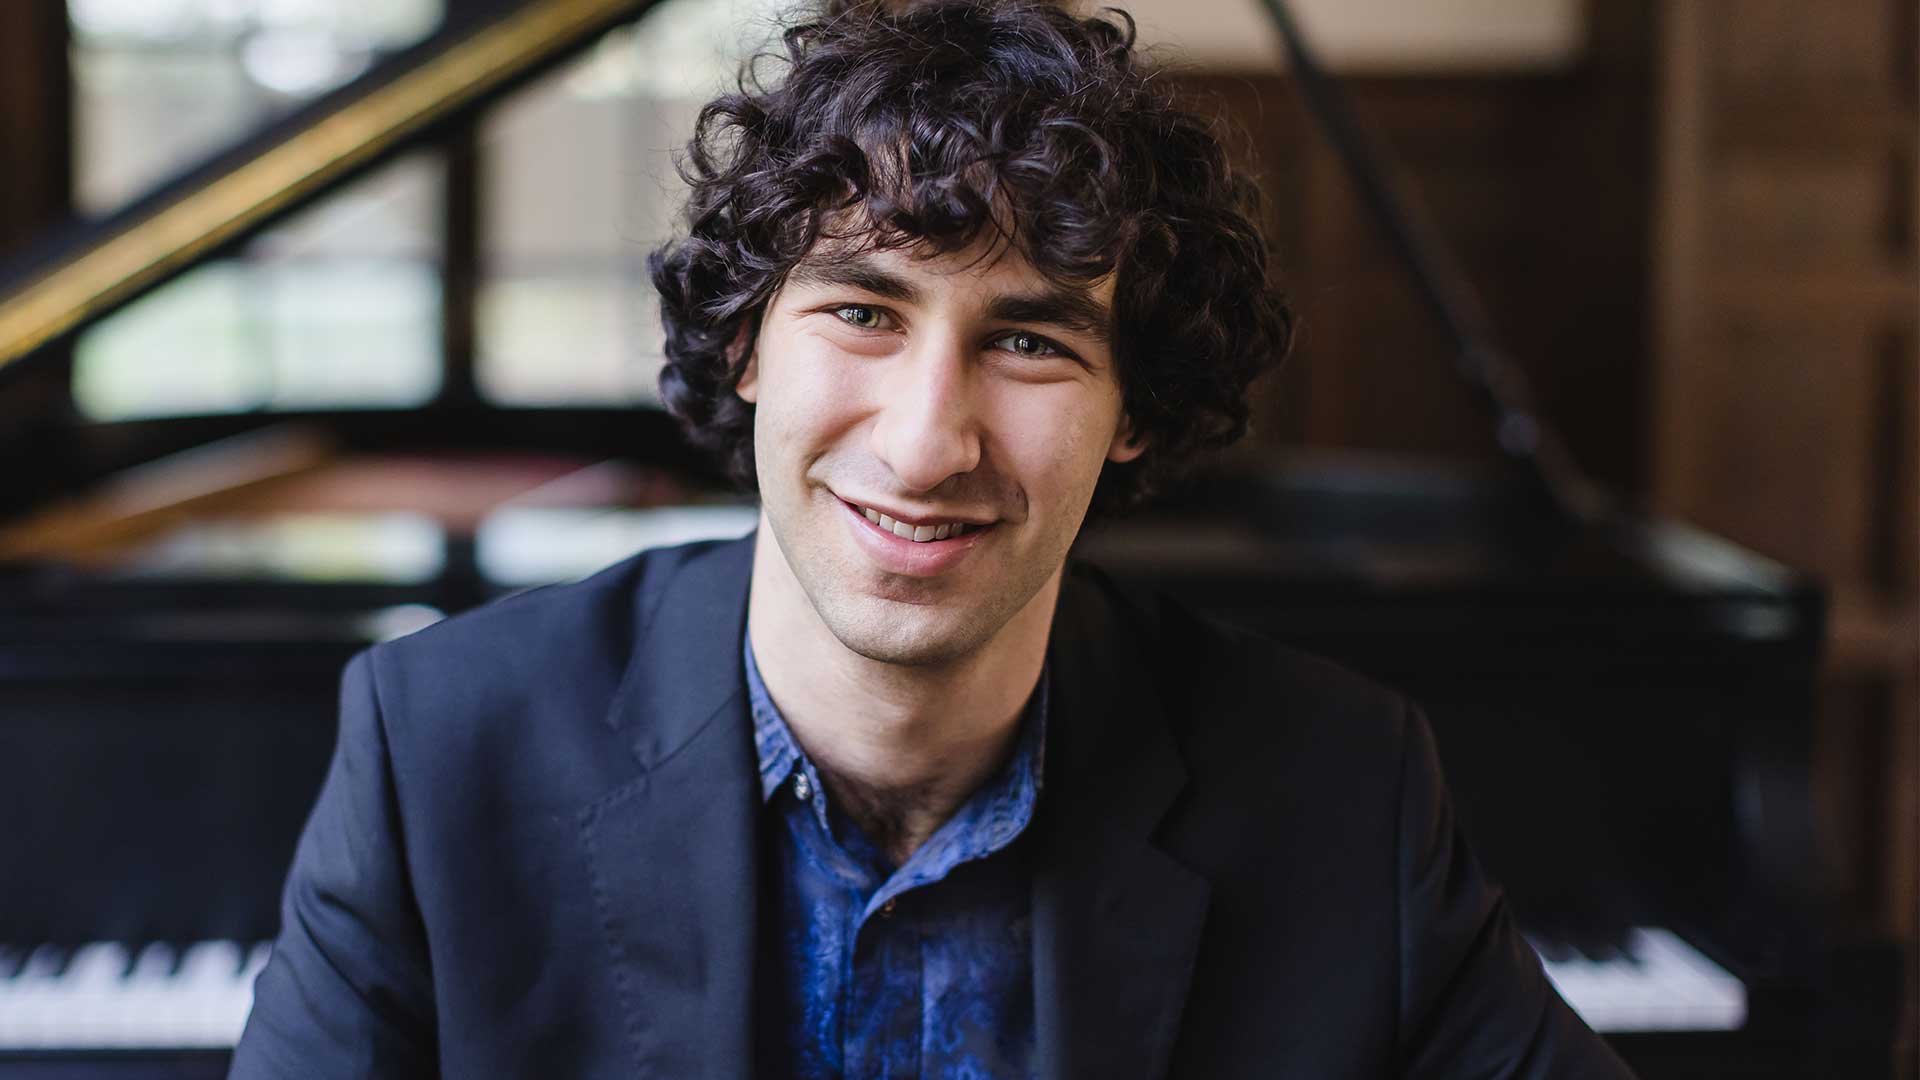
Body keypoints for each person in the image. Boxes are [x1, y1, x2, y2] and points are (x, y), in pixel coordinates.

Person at [232, 1, 1635, 1076]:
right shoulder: (438, 751)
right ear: (745, 345)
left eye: (1028, 340)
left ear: (1134, 410)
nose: (925, 441)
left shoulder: (1344, 787)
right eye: (861, 311)